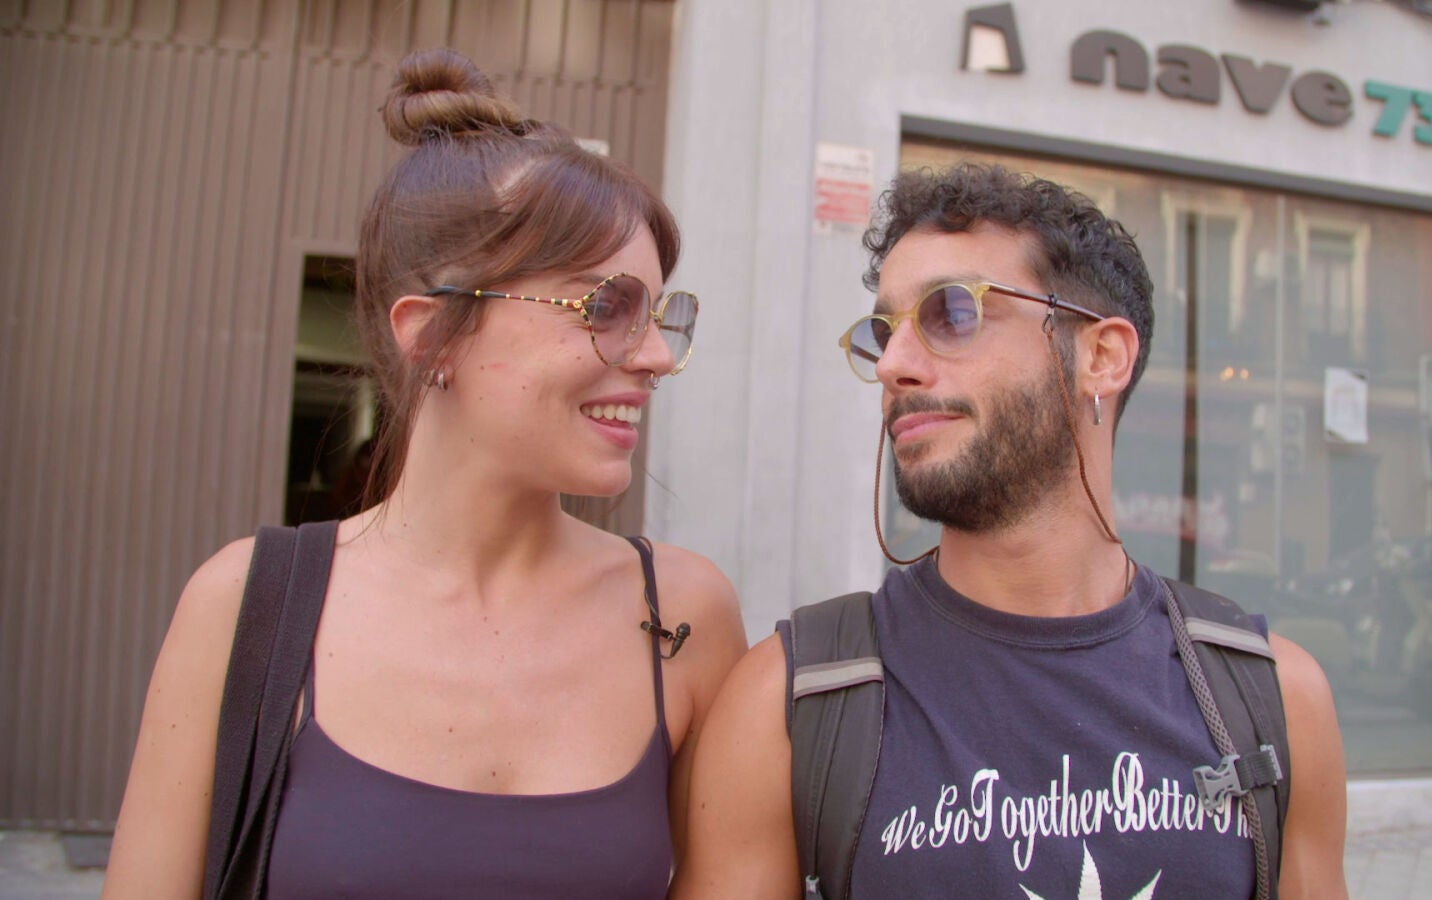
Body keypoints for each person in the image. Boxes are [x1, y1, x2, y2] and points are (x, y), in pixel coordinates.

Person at [103, 47, 746, 898]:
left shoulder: (685, 616)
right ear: (432, 334)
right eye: (605, 306)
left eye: (661, 314)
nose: (657, 355)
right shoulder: (247, 606)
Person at [671, 163, 1347, 898]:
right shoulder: (792, 703)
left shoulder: (1270, 698)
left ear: (1101, 357)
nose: (893, 365)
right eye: (884, 332)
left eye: (952, 313)